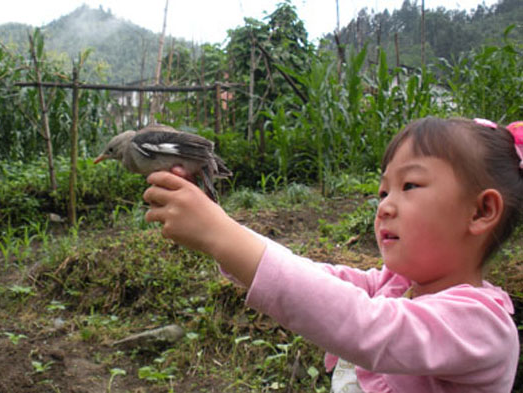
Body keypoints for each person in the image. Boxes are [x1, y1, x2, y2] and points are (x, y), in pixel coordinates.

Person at [142, 116, 523, 393]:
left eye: (410, 185)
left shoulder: (482, 326)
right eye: (383, 192)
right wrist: (219, 230)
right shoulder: (393, 286)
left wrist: (219, 233)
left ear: (480, 212)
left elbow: (366, 327)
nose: (385, 206)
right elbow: (312, 278)